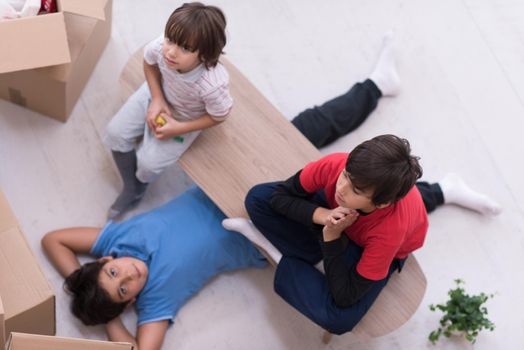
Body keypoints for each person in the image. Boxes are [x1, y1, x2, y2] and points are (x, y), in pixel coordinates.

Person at [221, 33, 502, 335]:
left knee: (340, 318)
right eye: (347, 176)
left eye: (355, 189)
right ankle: (444, 189)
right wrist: (323, 217)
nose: (342, 187)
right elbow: (277, 197)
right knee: (257, 199)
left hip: (379, 236)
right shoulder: (337, 166)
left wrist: (331, 238)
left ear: (379, 203)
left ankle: (278, 253)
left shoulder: (387, 234)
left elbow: (345, 296)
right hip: (344, 218)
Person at [41, 186, 266, 350]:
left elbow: (53, 240)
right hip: (262, 232)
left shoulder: (117, 241)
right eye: (123, 290)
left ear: (105, 260)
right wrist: (108, 318)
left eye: (113, 272)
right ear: (130, 302)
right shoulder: (155, 300)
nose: (129, 274)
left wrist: (80, 281)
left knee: (299, 127)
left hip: (222, 183)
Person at [103, 2, 233, 219]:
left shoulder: (212, 85)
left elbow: (219, 115)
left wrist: (179, 128)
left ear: (205, 54)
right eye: (170, 40)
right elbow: (148, 62)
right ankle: (131, 188)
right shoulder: (161, 47)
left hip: (187, 116)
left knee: (147, 165)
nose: (171, 52)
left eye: (186, 48)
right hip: (157, 92)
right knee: (115, 133)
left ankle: (139, 186)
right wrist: (156, 98)